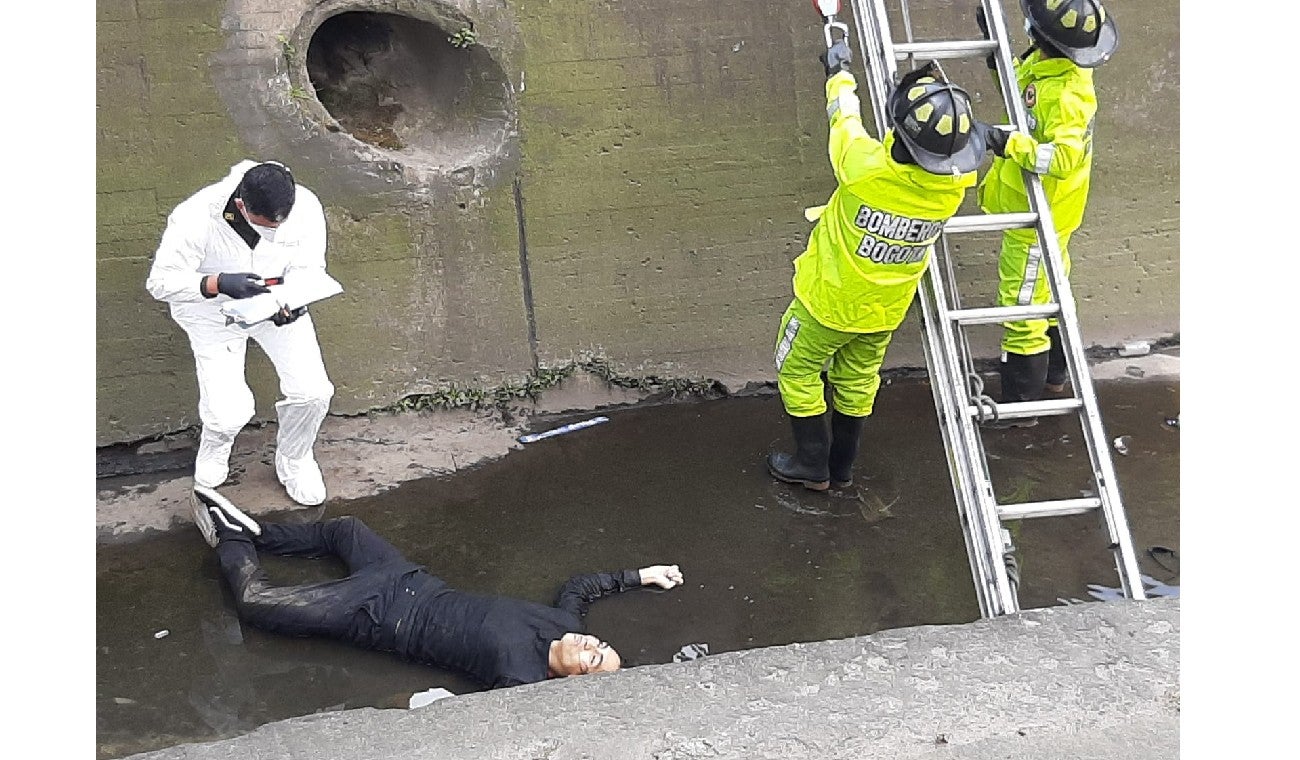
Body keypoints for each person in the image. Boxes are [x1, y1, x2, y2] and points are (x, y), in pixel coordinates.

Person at [191, 486, 686, 688]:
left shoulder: (522, 683)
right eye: (600, 644)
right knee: (345, 530)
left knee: (257, 603)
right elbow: (581, 586)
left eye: (594, 658)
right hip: (406, 580)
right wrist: (642, 575)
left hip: (374, 616)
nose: (589, 644)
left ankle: (229, 538)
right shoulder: (563, 622)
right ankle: (258, 533)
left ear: (575, 682)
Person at [767, 39, 989, 490]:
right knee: (858, 377)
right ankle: (842, 467)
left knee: (797, 368)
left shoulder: (864, 167)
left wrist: (839, 69)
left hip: (825, 304)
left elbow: (844, 115)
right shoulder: (956, 184)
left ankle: (811, 462)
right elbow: (970, 144)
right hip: (885, 309)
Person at [146, 160, 335, 505]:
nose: (275, 231)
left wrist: (293, 300)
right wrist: (216, 283)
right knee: (227, 409)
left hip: (273, 302)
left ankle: (294, 458)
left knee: (313, 391)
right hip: (212, 310)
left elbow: (310, 266)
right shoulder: (195, 216)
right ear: (241, 206)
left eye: (282, 222)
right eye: (266, 225)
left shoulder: (305, 205)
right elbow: (160, 283)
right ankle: (216, 446)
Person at [974, 0, 1118, 423]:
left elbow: (1060, 158)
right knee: (1050, 294)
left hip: (1037, 218)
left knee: (1022, 310)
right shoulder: (1046, 66)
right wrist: (993, 53)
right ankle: (1055, 379)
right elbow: (1025, 101)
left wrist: (1006, 144)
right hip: (1044, 210)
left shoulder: (1068, 93)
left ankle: (1023, 409)